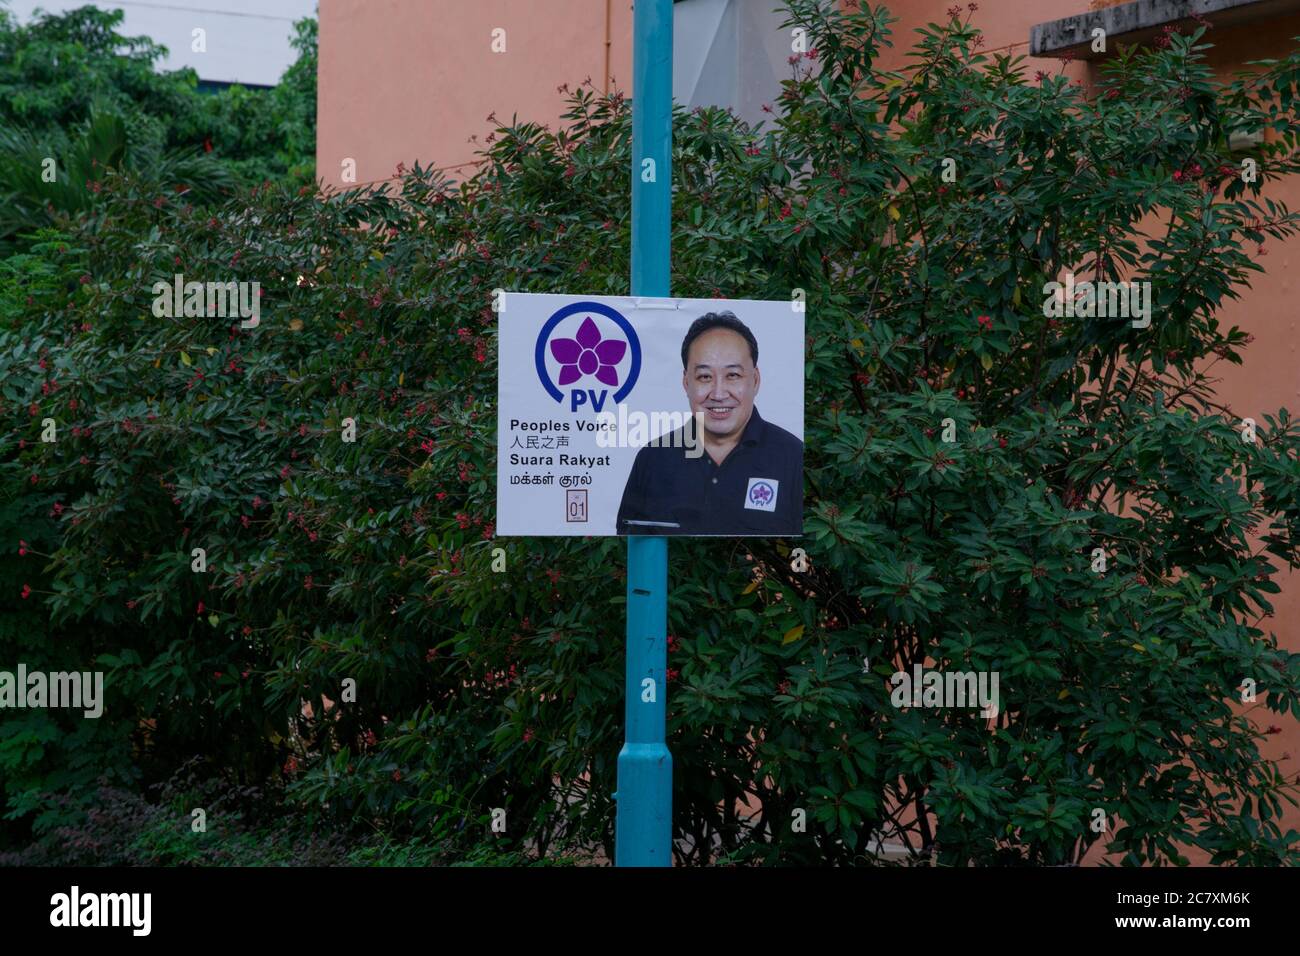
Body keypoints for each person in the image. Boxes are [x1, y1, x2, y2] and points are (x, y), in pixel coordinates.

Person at [616, 311, 803, 535]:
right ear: (686, 383)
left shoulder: (793, 457)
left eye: (733, 375)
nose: (718, 393)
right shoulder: (653, 458)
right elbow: (628, 548)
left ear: (755, 380)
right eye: (704, 377)